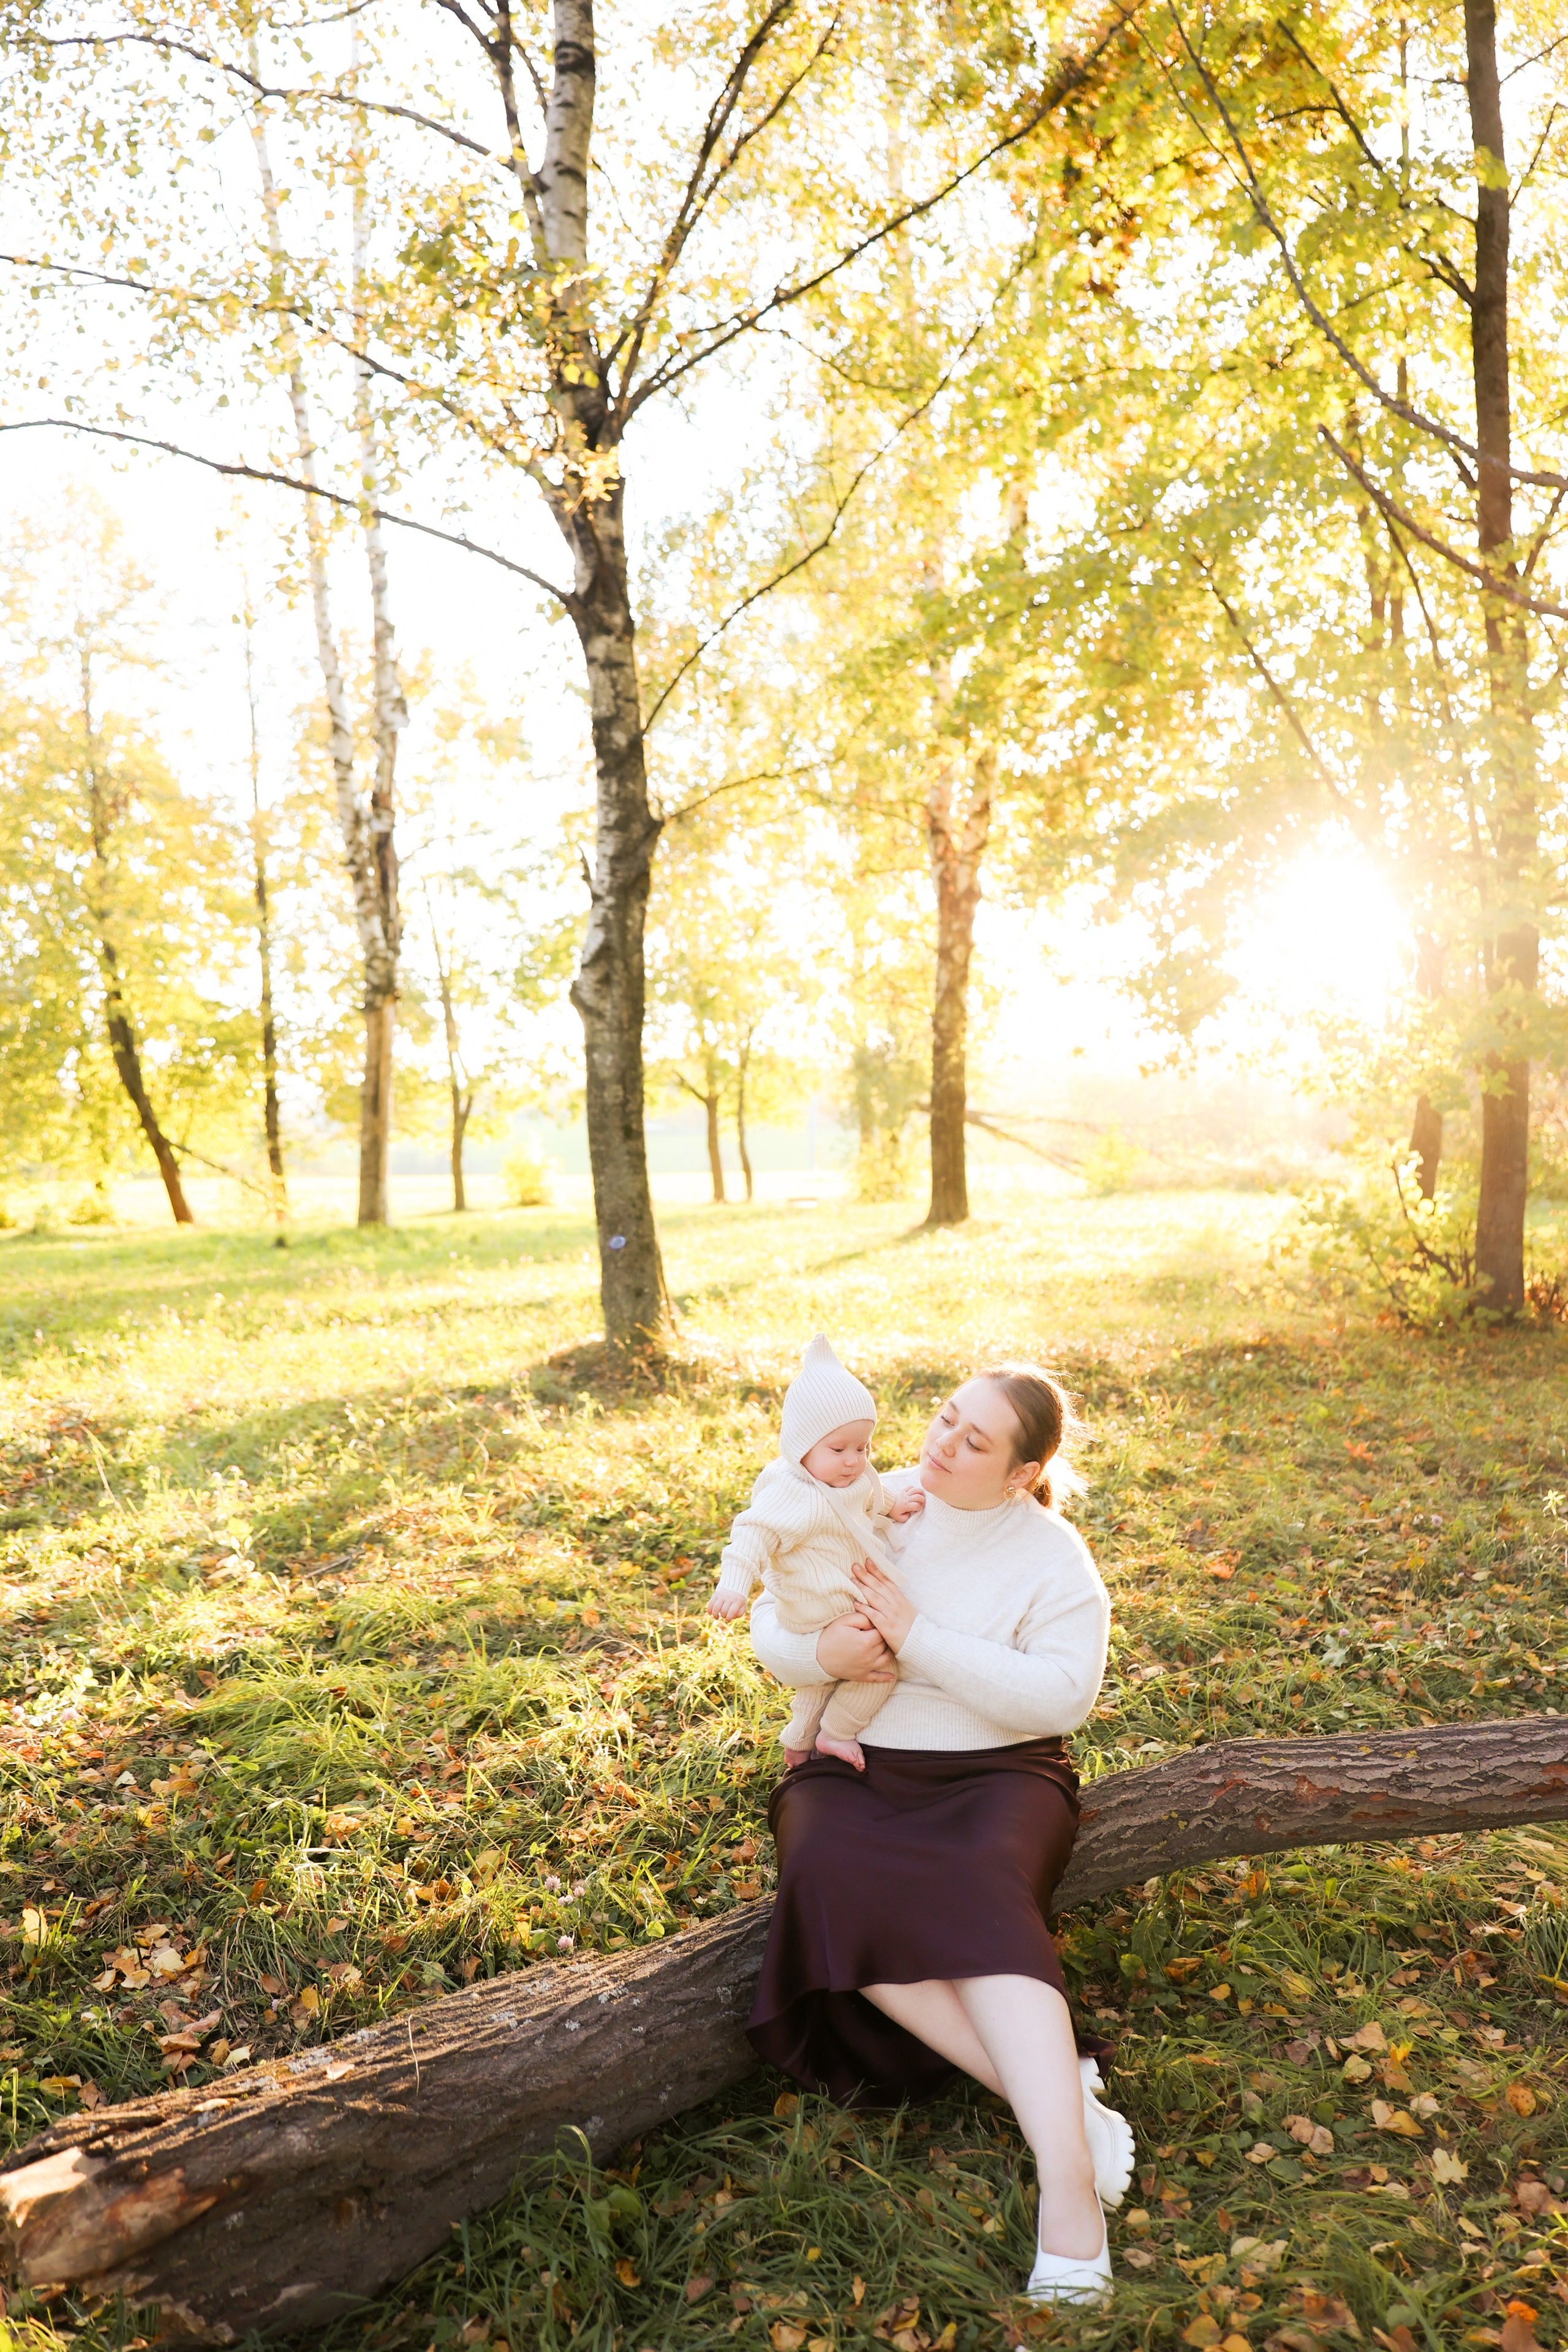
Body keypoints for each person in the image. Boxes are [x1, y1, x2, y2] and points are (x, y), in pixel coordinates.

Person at [745, 1365, 1132, 2308]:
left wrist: (915, 1635)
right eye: (946, 1419)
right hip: (856, 1759)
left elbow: (1062, 1696)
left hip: (998, 1773)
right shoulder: (867, 1501)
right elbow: (770, 1611)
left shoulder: (1053, 1557)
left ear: (1022, 1472)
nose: (942, 1444)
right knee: (828, 1876)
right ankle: (1059, 2104)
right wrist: (820, 1653)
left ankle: (1069, 2191)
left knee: (978, 1885)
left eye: (975, 1441)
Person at [706, 1333, 924, 1767]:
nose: (853, 1460)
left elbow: (868, 1493)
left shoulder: (848, 1475)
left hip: (832, 1595)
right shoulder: (794, 1494)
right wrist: (734, 1585)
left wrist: (894, 1505)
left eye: (863, 1447)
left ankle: (799, 1741)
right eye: (838, 1448)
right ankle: (837, 1733)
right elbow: (753, 1532)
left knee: (821, 1682)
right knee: (884, 1665)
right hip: (815, 1599)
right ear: (800, 1447)